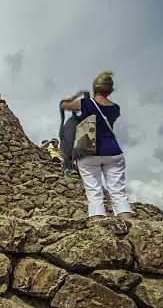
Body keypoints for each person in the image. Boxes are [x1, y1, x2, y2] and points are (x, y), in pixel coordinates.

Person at [60, 72, 132, 220]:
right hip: (113, 151)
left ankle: (99, 232)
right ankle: (130, 229)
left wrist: (76, 95)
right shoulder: (115, 108)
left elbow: (63, 105)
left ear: (95, 88)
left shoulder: (86, 103)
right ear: (110, 90)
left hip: (88, 151)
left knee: (94, 192)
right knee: (118, 193)